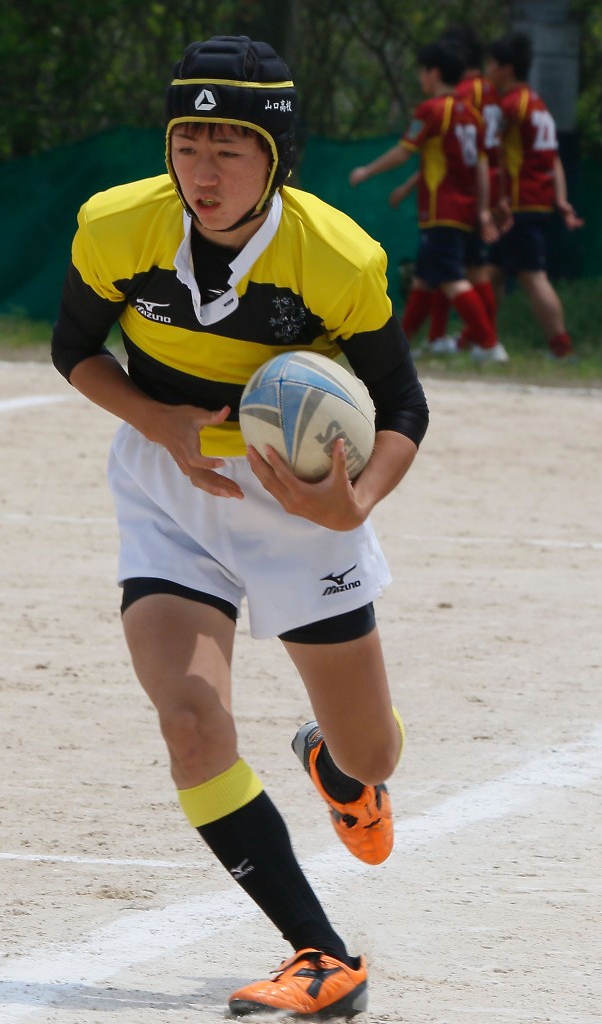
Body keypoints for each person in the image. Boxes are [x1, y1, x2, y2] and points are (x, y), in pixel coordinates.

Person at [51, 34, 429, 1019]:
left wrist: (353, 503)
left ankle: (336, 765)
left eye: (229, 149)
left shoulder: (336, 257)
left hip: (299, 502)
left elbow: (401, 405)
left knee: (373, 754)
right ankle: (320, 955)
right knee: (188, 719)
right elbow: (74, 349)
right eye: (187, 145)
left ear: (277, 158)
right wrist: (159, 422)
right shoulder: (116, 228)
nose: (202, 172)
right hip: (169, 484)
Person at [351, 39, 509, 364]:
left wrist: (367, 170)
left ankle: (489, 344)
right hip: (466, 209)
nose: (421, 78)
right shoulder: (472, 115)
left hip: (441, 209)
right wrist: (482, 209)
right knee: (427, 277)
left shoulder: (432, 109)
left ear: (434, 73)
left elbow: (403, 151)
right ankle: (401, 345)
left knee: (451, 279)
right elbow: (482, 168)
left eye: (422, 72)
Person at [485, 31, 584, 359]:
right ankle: (482, 339)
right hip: (536, 201)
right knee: (493, 272)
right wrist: (561, 200)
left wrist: (498, 199)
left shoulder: (511, 105)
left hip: (518, 205)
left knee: (532, 277)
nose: (487, 69)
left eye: (492, 63)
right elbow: (553, 159)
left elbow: (496, 155)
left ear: (507, 68)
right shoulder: (539, 105)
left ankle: (562, 348)